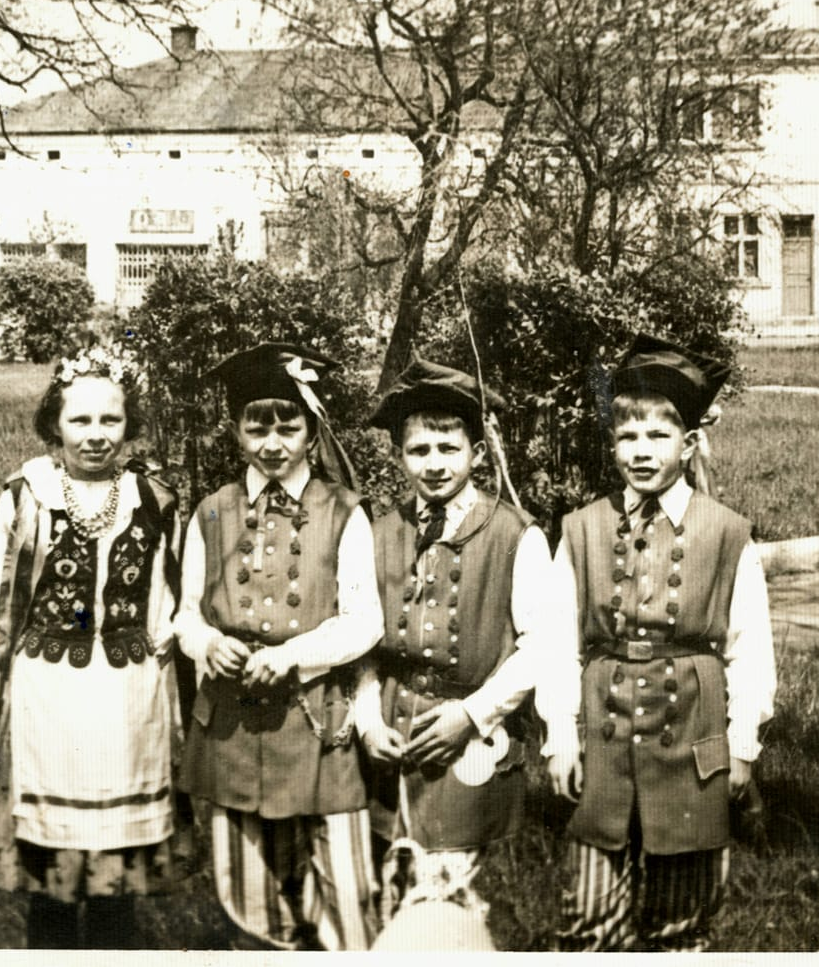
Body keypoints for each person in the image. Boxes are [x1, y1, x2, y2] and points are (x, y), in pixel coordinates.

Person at [546, 334, 776, 952]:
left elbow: (750, 651)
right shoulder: (581, 529)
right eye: (628, 436)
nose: (641, 451)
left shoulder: (728, 534)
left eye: (658, 435)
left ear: (689, 443)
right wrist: (561, 736)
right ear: (611, 444)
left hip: (692, 734)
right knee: (589, 911)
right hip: (605, 736)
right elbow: (558, 644)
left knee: (682, 916)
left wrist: (742, 745)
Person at [0, 346, 190, 949]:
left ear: (129, 424)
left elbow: (167, 606)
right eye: (80, 420)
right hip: (49, 698)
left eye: (110, 420)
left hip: (126, 701)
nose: (96, 435)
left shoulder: (153, 499)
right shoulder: (27, 495)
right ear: (55, 424)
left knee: (114, 881)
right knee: (52, 878)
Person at [176, 341, 381, 951]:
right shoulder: (211, 513)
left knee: (346, 883)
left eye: (288, 428)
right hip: (231, 723)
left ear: (312, 432)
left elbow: (364, 621)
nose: (272, 444)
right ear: (235, 432)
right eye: (257, 428)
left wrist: (292, 656)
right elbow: (185, 613)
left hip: (316, 720)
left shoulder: (344, 512)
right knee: (247, 886)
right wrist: (207, 643)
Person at [354, 359, 561, 925]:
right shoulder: (380, 532)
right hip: (391, 742)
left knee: (455, 903)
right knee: (389, 893)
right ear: (399, 456)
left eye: (449, 448)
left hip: (472, 740)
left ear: (478, 452)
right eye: (419, 450)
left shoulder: (516, 533)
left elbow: (541, 646)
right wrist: (368, 721)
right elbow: (364, 648)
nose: (435, 464)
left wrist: (470, 715)